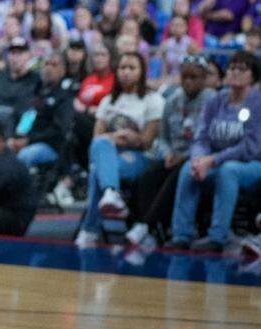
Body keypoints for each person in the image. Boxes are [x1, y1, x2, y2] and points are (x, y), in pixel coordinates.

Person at [169, 50, 261, 253]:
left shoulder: (257, 103)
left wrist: (213, 160)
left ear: (253, 76)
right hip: (215, 161)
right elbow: (201, 137)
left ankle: (217, 236)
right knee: (187, 169)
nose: (235, 72)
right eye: (232, 68)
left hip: (251, 164)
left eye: (242, 69)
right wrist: (198, 159)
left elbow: (251, 147)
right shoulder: (216, 100)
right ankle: (181, 234)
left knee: (229, 170)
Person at [124, 56, 215, 247]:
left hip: (199, 157)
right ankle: (154, 229)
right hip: (173, 155)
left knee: (178, 173)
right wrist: (167, 153)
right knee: (148, 175)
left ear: (205, 78)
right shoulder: (173, 99)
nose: (188, 81)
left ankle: (146, 225)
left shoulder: (212, 101)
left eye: (194, 77)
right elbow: (162, 137)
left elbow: (211, 139)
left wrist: (185, 156)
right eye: (185, 77)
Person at [75, 52, 164, 248]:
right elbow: (97, 138)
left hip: (140, 158)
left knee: (99, 169)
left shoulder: (152, 100)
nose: (126, 72)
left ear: (142, 72)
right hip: (109, 154)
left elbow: (146, 141)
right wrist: (120, 137)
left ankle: (90, 229)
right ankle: (111, 194)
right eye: (122, 68)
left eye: (132, 68)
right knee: (100, 151)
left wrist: (117, 139)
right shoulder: (109, 101)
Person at [9, 51, 75, 170]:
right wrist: (13, 138)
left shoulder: (64, 97)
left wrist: (28, 141)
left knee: (26, 155)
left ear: (63, 71)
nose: (49, 68)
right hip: (21, 138)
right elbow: (16, 116)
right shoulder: (31, 92)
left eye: (54, 65)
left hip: (49, 145)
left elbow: (59, 130)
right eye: (46, 64)